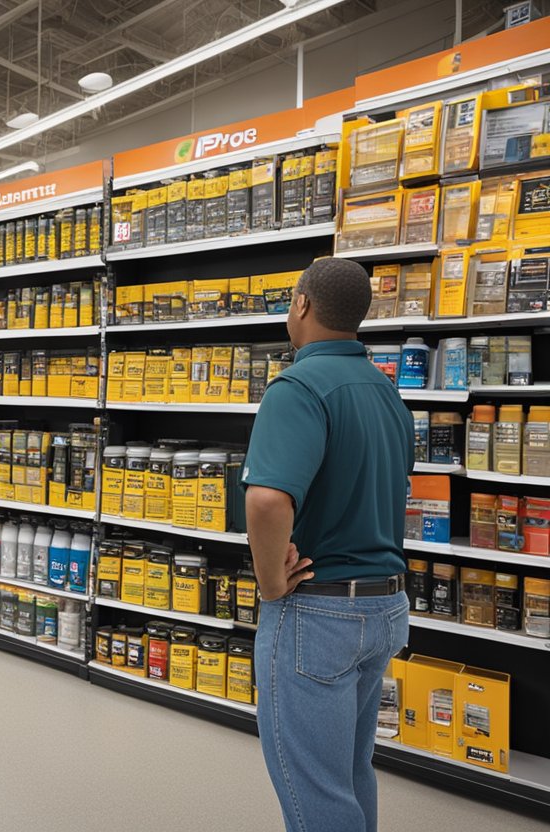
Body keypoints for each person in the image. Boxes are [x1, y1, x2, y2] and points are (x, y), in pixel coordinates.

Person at [242, 258, 413, 832]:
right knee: (348, 772)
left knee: (314, 792)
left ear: (302, 305)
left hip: (318, 614)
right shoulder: (385, 392)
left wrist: (270, 583)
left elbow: (267, 500)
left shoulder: (297, 387)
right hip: (384, 607)